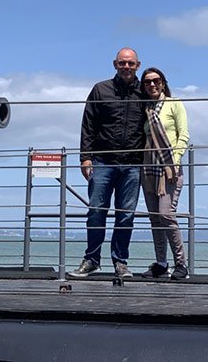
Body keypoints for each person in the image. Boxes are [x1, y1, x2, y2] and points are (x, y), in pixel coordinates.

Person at [69, 48, 146, 278]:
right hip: (102, 161)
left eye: (130, 63)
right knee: (95, 212)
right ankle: (92, 260)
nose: (126, 67)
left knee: (126, 215)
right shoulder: (100, 89)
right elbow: (88, 124)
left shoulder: (145, 92)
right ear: (115, 64)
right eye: (122, 63)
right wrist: (85, 156)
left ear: (138, 65)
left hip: (133, 164)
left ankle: (120, 262)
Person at [139, 67, 190, 280]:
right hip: (148, 169)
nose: (152, 84)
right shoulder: (144, 108)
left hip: (169, 169)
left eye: (156, 81)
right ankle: (161, 263)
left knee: (166, 214)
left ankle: (182, 264)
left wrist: (174, 162)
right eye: (147, 82)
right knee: (154, 218)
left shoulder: (174, 104)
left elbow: (183, 134)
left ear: (163, 82)